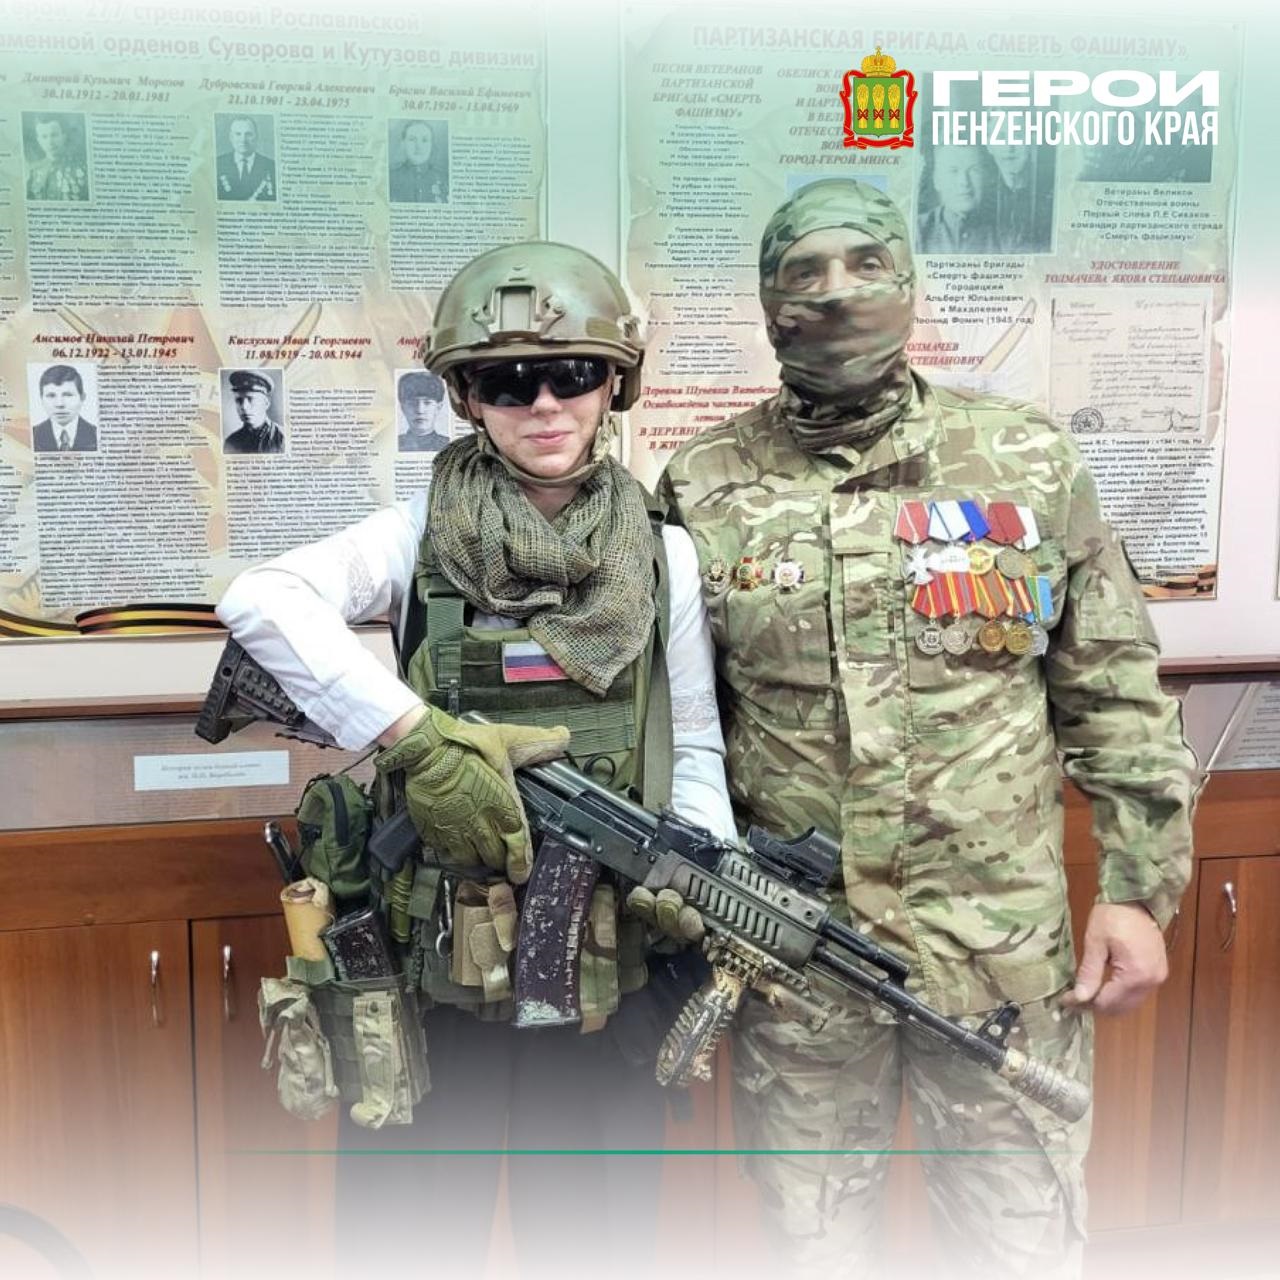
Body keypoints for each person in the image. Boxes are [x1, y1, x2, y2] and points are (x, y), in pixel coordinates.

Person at [657, 179, 1199, 1279]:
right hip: (796, 962)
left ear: (910, 283)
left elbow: (1113, 689)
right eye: (803, 271)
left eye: (865, 263)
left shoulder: (1024, 460)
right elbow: (677, 721)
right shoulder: (700, 484)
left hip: (997, 955)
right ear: (767, 303)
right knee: (810, 1249)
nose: (836, 291)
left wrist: (1140, 891)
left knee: (1017, 1244)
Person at [216, 240, 735, 1277]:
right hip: (430, 978)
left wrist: (709, 883)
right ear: (464, 397)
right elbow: (259, 598)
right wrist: (416, 736)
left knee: (596, 1242)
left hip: (602, 978)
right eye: (507, 381)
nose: (544, 403)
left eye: (573, 373)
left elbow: (693, 740)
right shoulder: (417, 536)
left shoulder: (663, 553)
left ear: (614, 386)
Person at [916, 145, 998, 255]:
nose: (964, 182)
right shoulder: (918, 231)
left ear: (986, 178)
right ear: (937, 180)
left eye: (974, 170)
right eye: (953, 171)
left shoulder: (1005, 235)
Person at [984, 143, 1054, 254]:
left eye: (1018, 137)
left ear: (1032, 143)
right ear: (989, 146)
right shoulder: (980, 201)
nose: (1009, 148)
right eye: (1000, 138)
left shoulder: (1051, 199)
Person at [32, 365, 97, 453]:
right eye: (51, 396)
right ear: (41, 399)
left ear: (82, 398)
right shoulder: (32, 435)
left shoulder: (97, 435)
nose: (60, 404)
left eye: (67, 395)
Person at [25, 115, 89, 202]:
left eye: (54, 135)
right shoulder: (33, 172)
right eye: (44, 136)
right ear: (39, 141)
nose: (50, 142)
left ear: (63, 137)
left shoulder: (82, 168)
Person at [216, 116, 276, 201]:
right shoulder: (218, 164)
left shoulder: (271, 166)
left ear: (256, 136)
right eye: (238, 134)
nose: (243, 140)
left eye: (248, 134)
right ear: (231, 137)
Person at [223, 371, 284, 454]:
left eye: (251, 399)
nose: (244, 407)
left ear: (266, 403)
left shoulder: (283, 438)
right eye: (239, 400)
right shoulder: (231, 442)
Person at [389, 119, 448, 204]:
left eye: (424, 140)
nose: (418, 146)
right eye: (412, 139)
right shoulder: (392, 177)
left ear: (431, 145)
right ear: (403, 143)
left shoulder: (444, 178)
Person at [396, 370, 450, 451]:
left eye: (427, 403)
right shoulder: (395, 443)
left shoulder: (448, 444)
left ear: (438, 407)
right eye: (413, 403)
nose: (420, 410)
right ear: (403, 407)